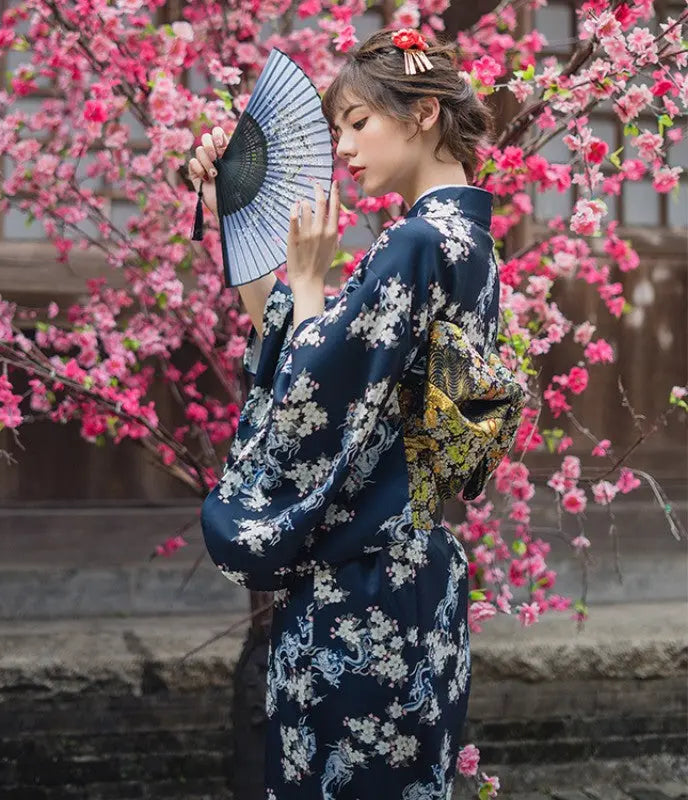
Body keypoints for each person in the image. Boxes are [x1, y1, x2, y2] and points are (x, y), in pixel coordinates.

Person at [189, 27, 524, 800]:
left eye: (358, 122)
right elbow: (304, 346)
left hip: (362, 590)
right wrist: (235, 198)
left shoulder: (412, 243)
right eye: (337, 127)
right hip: (415, 580)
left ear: (424, 114)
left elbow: (309, 399)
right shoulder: (466, 240)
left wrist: (310, 282)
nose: (341, 145)